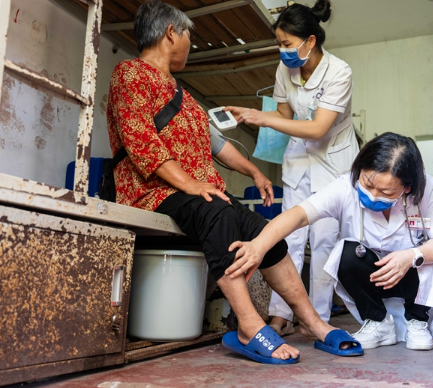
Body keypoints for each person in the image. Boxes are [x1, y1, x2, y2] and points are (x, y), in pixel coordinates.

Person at [106, 0, 361, 364]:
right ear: (170, 33)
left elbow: (219, 145)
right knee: (218, 213)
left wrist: (255, 173)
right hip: (152, 191)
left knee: (263, 231)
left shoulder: (185, 99)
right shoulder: (129, 74)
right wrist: (192, 184)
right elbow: (142, 143)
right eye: (188, 37)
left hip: (198, 192)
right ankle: (249, 326)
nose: (190, 45)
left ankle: (311, 321)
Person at [227, 133, 433, 350]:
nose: (373, 195)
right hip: (373, 278)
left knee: (430, 256)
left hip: (412, 279)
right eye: (367, 183)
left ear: (407, 188)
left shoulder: (426, 189)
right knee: (346, 253)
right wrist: (258, 244)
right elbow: (298, 215)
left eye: (387, 192)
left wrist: (410, 256)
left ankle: (417, 320)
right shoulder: (345, 186)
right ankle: (377, 322)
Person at [225, 0, 359, 336]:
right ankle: (281, 315)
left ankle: (318, 319)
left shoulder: (340, 72)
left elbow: (317, 128)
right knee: (290, 238)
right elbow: (285, 116)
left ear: (309, 41)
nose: (282, 51)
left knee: (325, 241)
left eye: (287, 44)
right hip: (300, 158)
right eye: (279, 44)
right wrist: (251, 113)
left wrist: (261, 117)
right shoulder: (285, 69)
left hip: (333, 160)